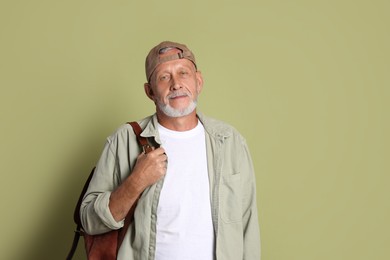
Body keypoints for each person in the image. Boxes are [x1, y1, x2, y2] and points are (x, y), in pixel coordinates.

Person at [80, 41, 261, 260]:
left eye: (183, 73)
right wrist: (135, 181)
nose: (176, 84)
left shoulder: (230, 142)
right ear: (150, 91)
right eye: (164, 77)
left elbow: (248, 224)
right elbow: (88, 220)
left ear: (198, 81)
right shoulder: (124, 140)